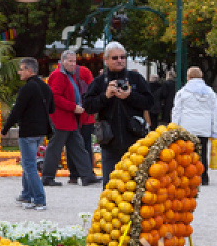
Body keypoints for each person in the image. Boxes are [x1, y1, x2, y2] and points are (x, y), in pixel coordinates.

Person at [82, 43, 154, 185]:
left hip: (135, 140)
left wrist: (130, 96)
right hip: (110, 142)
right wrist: (106, 96)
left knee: (135, 185)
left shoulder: (136, 78)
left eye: (122, 57)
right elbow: (88, 107)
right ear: (106, 60)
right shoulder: (99, 82)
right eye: (115, 58)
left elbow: (150, 102)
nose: (119, 60)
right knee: (110, 186)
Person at [1, 57, 53, 210]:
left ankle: (39, 199)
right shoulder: (45, 87)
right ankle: (26, 194)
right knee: (27, 162)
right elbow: (52, 109)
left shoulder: (27, 88)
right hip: (41, 131)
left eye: (22, 69)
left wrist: (5, 129)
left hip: (28, 131)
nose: (19, 72)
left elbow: (17, 111)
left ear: (30, 71)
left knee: (29, 165)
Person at [44, 50, 98, 186]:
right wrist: (73, 107)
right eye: (70, 61)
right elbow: (55, 98)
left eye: (74, 61)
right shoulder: (58, 75)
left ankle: (87, 175)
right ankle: (47, 176)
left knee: (78, 148)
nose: (73, 64)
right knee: (55, 148)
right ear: (62, 61)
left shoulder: (67, 75)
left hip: (69, 119)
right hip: (61, 119)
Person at [172, 66, 217, 186]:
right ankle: (203, 177)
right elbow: (215, 112)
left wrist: (174, 128)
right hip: (204, 127)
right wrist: (215, 131)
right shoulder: (210, 93)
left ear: (188, 77)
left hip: (187, 126)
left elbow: (177, 111)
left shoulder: (182, 92)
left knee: (187, 153)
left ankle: (189, 177)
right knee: (202, 151)